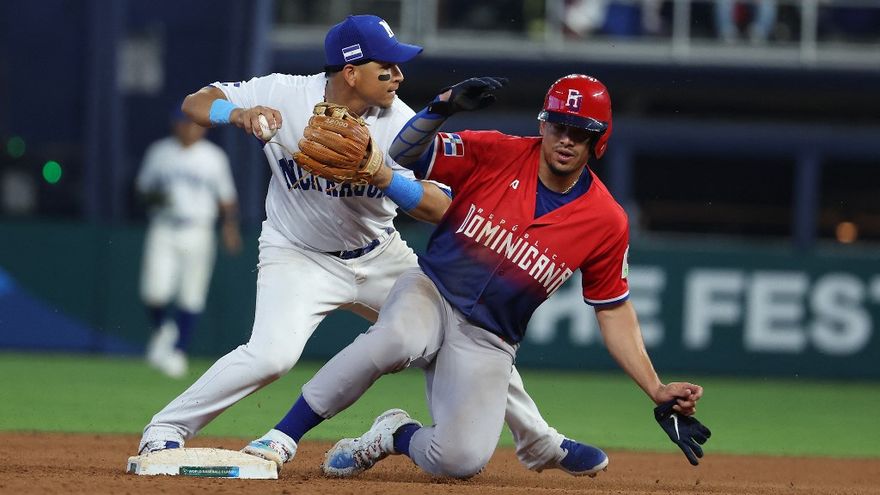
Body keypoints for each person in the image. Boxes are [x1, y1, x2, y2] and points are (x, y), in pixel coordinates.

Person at [137, 14, 602, 477]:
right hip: (297, 253)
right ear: (350, 72)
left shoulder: (401, 124)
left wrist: (382, 175)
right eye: (387, 66)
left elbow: (443, 206)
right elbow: (196, 102)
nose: (398, 75)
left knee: (465, 327)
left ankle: (539, 441)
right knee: (271, 356)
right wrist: (237, 113)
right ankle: (166, 427)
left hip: (379, 255)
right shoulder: (285, 94)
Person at [251, 74, 706, 479]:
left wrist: (655, 387)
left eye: (580, 132)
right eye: (559, 126)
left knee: (460, 460)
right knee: (393, 340)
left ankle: (394, 433)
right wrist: (441, 108)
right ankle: (282, 437)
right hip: (432, 291)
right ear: (543, 125)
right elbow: (404, 154)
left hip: (491, 336)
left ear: (598, 141)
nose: (566, 139)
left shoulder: (606, 220)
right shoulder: (498, 151)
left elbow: (613, 311)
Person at [136, 109, 241, 378]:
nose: (190, 129)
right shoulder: (160, 152)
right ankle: (163, 329)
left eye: (195, 124)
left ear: (203, 127)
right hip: (164, 226)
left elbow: (226, 197)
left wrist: (229, 227)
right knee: (154, 292)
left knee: (192, 293)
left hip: (199, 228)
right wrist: (156, 198)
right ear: (176, 125)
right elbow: (143, 189)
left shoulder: (213, 157)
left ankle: (179, 351)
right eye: (185, 124)